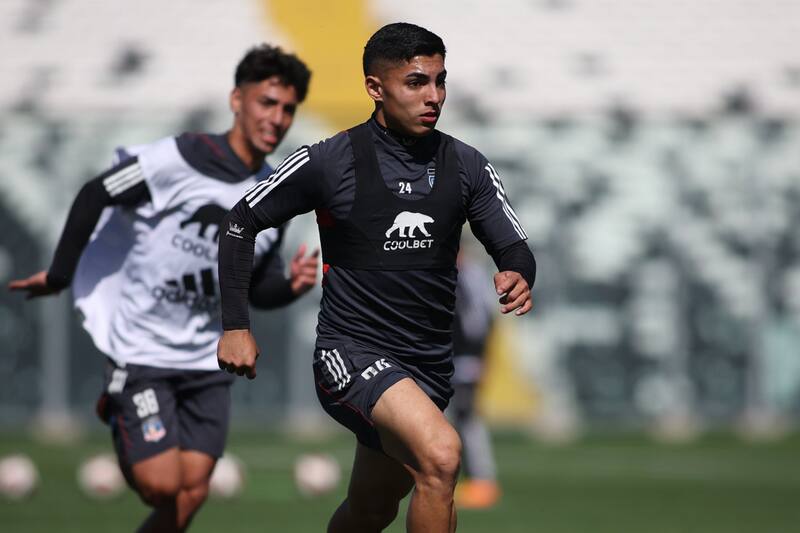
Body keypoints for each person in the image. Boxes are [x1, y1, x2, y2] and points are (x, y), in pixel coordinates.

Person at [217, 23, 535, 533]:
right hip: (350, 354)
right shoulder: (329, 160)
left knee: (371, 509)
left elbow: (513, 245)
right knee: (441, 455)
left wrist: (518, 271)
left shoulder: (467, 164)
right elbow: (240, 223)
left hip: (428, 368)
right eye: (416, 82)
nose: (434, 96)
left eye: (440, 81)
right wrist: (235, 324)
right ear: (375, 87)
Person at [9, 44, 315, 532]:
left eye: (288, 109)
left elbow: (255, 288)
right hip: (142, 352)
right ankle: (117, 402)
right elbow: (96, 193)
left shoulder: (272, 192)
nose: (277, 118)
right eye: (267, 102)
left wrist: (292, 287)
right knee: (160, 484)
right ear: (237, 100)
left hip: (207, 361)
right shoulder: (178, 157)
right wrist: (60, 273)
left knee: (192, 488)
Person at [448, 251, 501, 509]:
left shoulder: (470, 276)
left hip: (464, 358)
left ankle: (481, 480)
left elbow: (480, 319)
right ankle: (464, 479)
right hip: (447, 358)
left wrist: (476, 355)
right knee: (451, 419)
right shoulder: (460, 275)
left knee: (466, 416)